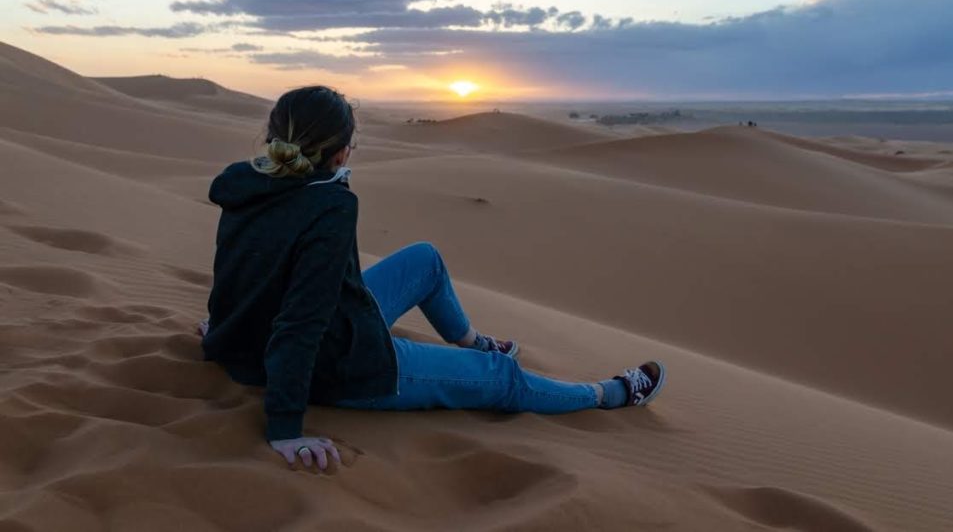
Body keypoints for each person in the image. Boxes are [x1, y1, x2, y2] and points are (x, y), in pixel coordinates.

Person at [201, 86, 666, 471]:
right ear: (341, 150)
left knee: (425, 259)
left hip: (264, 341)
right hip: (341, 366)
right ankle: (608, 394)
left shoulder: (244, 181)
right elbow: (301, 323)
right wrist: (285, 429)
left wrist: (223, 331)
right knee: (501, 378)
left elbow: (237, 266)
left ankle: (475, 342)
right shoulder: (330, 205)